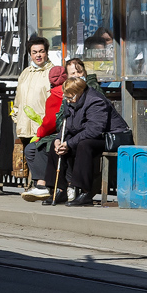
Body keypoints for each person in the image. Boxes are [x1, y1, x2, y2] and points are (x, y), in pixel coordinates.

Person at [53, 77, 110, 207]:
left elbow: (94, 130)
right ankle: (60, 189)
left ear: (80, 93)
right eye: (66, 97)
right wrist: (59, 140)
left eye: (70, 97)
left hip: (106, 137)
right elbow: (66, 125)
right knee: (55, 145)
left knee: (83, 145)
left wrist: (69, 143)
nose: (68, 100)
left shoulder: (95, 100)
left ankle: (85, 192)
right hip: (83, 135)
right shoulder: (71, 102)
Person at [20, 66, 66, 202]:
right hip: (60, 133)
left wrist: (39, 134)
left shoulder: (55, 95)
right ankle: (41, 186)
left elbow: (50, 122)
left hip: (59, 134)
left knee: (34, 148)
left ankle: (42, 185)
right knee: (32, 148)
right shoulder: (60, 93)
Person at [12, 35, 53, 186]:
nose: (38, 55)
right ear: (30, 54)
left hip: (43, 125)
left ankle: (41, 184)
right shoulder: (25, 73)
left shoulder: (52, 72)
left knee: (40, 154)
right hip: (25, 124)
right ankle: (35, 184)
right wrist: (16, 117)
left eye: (41, 51)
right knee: (30, 154)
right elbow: (18, 99)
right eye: (35, 52)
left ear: (47, 52)